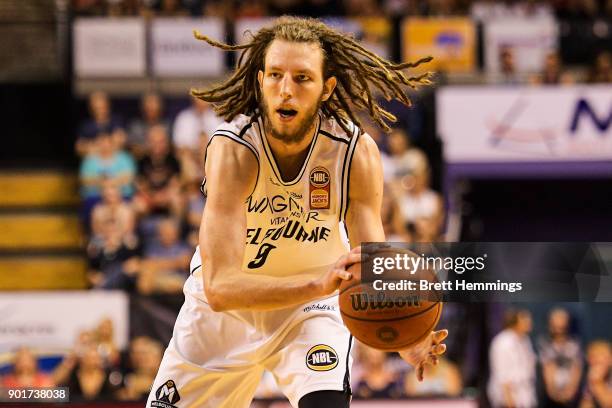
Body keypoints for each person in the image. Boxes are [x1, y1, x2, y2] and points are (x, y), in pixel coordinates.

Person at [147, 16, 448, 408]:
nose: (285, 90)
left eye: (302, 78)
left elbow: (372, 263)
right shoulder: (234, 150)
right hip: (225, 315)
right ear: (259, 81)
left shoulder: (354, 153)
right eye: (274, 75)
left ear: (327, 88)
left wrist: (406, 334)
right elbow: (219, 288)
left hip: (310, 312)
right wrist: (317, 284)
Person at [488, 309, 537, 408]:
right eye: (525, 319)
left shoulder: (525, 340)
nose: (529, 322)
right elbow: (502, 375)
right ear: (515, 321)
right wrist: (509, 400)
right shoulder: (503, 342)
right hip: (508, 399)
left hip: (525, 397)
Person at [538, 308, 583, 407]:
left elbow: (577, 368)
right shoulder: (545, 343)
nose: (559, 327)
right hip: (550, 396)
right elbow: (548, 368)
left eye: (562, 323)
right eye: (556, 324)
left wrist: (570, 391)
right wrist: (553, 392)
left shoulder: (574, 343)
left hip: (571, 395)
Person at [76, 91, 126, 156]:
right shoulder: (86, 126)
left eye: (102, 107)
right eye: (96, 108)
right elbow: (79, 148)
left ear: (108, 106)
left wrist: (94, 145)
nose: (100, 111)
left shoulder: (116, 121)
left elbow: (120, 141)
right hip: (94, 161)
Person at [580, 340, 612, 408]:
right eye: (592, 358)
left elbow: (608, 404)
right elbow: (586, 403)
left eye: (599, 361)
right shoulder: (590, 378)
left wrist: (597, 383)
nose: (594, 364)